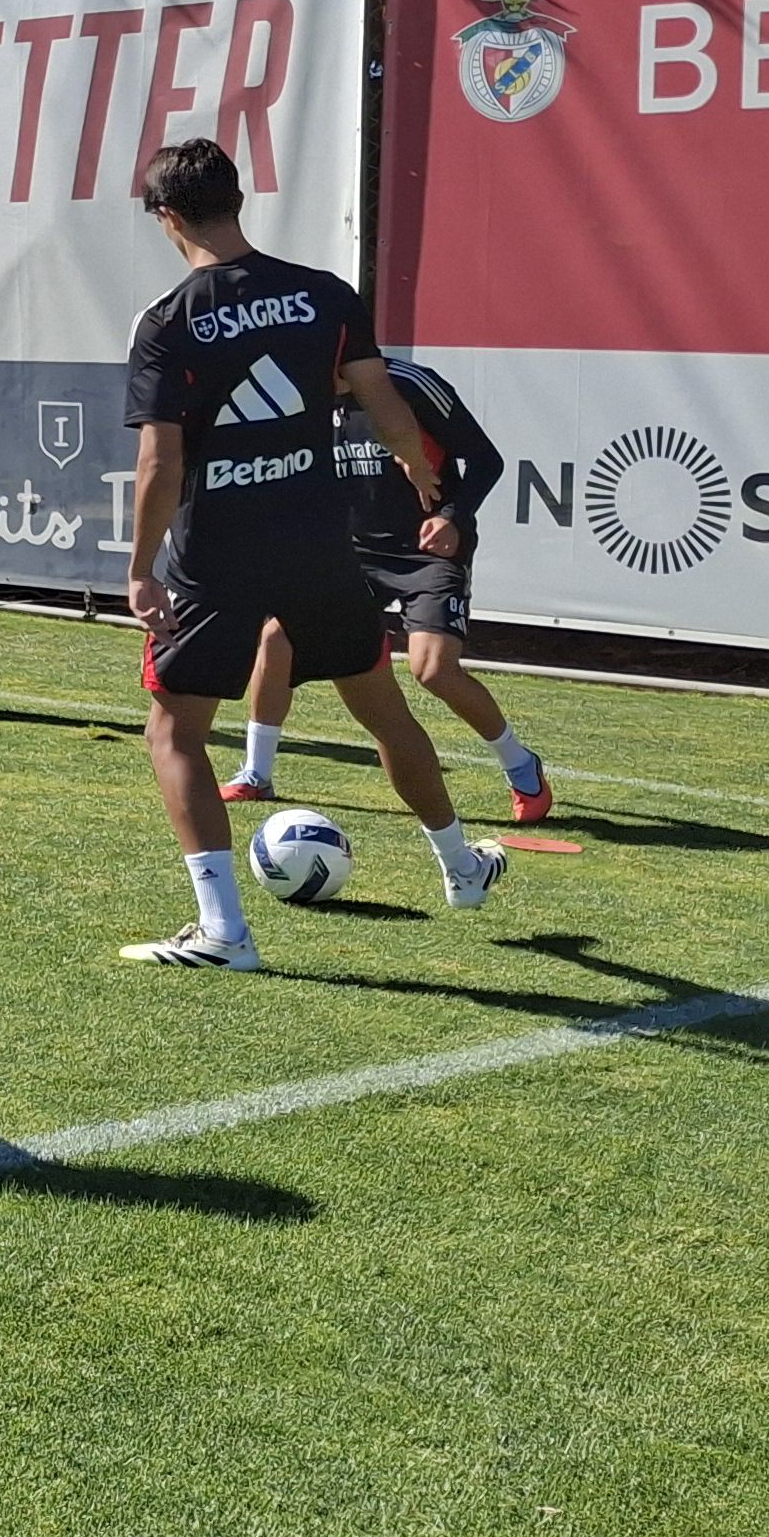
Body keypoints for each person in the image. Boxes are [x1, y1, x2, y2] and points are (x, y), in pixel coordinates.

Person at [118, 138, 505, 972]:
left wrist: (139, 567)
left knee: (175, 732)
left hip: (218, 553)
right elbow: (386, 403)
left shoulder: (167, 320)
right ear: (238, 202)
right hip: (319, 542)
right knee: (383, 709)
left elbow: (161, 463)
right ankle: (461, 866)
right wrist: (418, 476)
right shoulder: (322, 294)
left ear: (168, 217)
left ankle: (224, 933)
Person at [227, 356, 555, 823]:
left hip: (427, 548)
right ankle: (256, 774)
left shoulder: (407, 383)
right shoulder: (296, 392)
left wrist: (452, 516)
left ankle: (521, 764)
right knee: (276, 638)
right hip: (351, 550)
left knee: (434, 670)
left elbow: (486, 459)